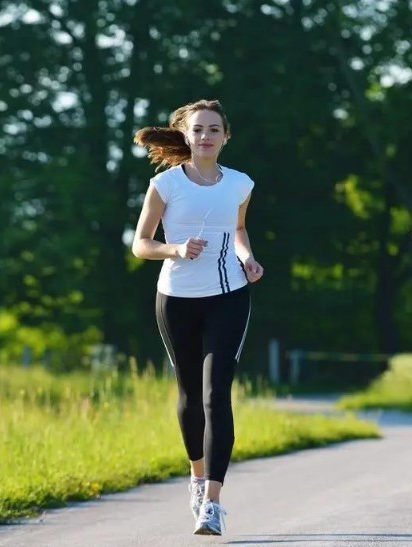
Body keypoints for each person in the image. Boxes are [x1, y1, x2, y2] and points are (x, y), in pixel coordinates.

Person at [131, 99, 264, 534]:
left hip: (229, 294)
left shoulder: (240, 184)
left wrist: (248, 258)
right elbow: (141, 244)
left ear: (226, 136)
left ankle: (213, 502)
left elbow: (238, 229)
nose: (205, 136)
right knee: (189, 393)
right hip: (176, 298)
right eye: (198, 130)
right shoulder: (166, 185)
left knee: (215, 394)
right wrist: (175, 249)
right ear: (185, 136)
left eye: (213, 129)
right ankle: (196, 475)